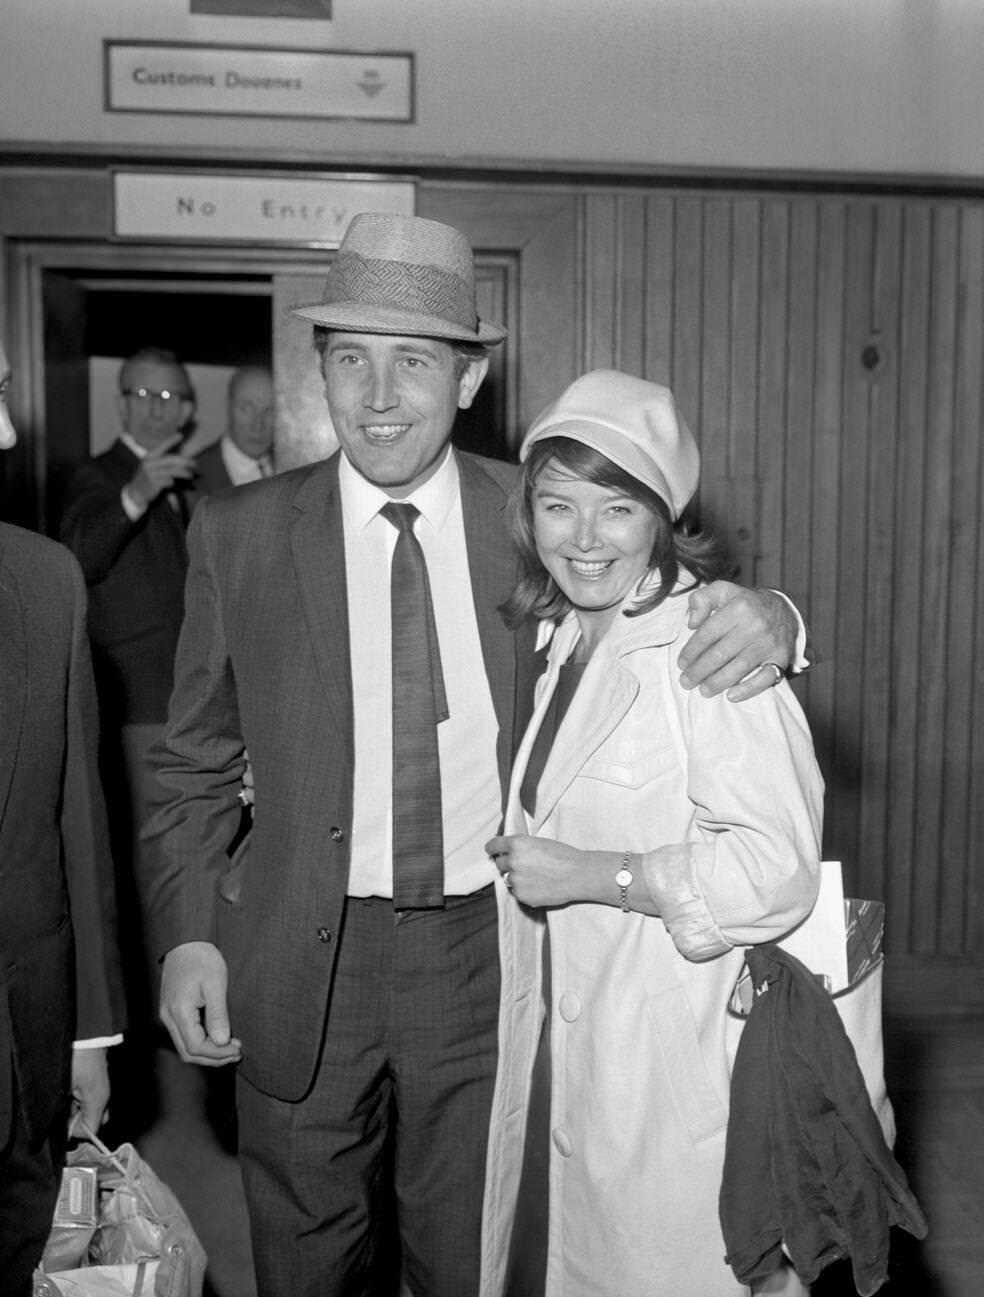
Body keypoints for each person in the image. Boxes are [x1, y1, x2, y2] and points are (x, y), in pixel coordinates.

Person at [140, 213, 801, 1297]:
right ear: (320, 370)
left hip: (484, 956)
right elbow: (194, 760)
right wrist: (186, 939)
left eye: (414, 361)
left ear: (469, 376)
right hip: (300, 952)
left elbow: (666, 597)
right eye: (350, 358)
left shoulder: (533, 518)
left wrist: (776, 617)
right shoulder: (239, 534)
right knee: (304, 1263)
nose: (380, 394)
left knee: (472, 1259)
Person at [484, 369, 823, 1296]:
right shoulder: (564, 639)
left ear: (660, 520)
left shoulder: (710, 647)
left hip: (674, 1070)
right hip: (571, 1049)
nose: (583, 538)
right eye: (558, 505)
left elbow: (777, 871)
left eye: (617, 510)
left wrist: (598, 875)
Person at [0, 338, 126, 1294]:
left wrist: (87, 1032)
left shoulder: (45, 581)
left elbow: (76, 826)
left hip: (24, 1041)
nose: (7, 433)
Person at [59, 346, 196, 1133]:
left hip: (185, 712)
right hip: (135, 711)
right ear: (121, 401)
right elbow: (74, 557)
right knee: (145, 876)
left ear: (184, 408)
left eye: (170, 395)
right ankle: (135, 1036)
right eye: (142, 392)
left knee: (179, 866)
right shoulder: (97, 475)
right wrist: (136, 492)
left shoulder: (189, 479)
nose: (156, 406)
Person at [193, 363, 275, 494]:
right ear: (228, 406)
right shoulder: (194, 477)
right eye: (246, 409)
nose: (258, 425)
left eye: (270, 411)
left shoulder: (294, 468)